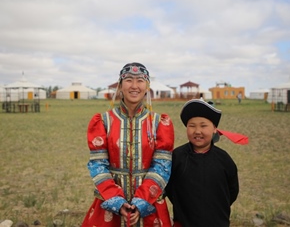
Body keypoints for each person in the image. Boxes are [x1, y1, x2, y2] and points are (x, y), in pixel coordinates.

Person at [82, 62, 175, 227]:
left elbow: (162, 165)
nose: (134, 86)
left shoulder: (158, 123)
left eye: (140, 80)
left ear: (147, 86)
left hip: (150, 203)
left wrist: (142, 201)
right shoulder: (103, 122)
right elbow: (98, 164)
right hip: (111, 204)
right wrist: (117, 201)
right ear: (120, 86)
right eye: (129, 80)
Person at [165, 99, 247, 227]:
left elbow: (232, 191)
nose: (197, 131)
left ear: (214, 128)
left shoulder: (224, 160)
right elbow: (169, 188)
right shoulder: (177, 157)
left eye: (203, 126)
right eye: (192, 126)